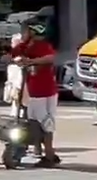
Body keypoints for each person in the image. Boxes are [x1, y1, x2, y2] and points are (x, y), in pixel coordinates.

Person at [12, 20, 61, 167]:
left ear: (32, 32)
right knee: (41, 122)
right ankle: (44, 152)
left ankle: (49, 154)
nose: (23, 33)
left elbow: (51, 57)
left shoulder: (43, 45)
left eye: (25, 30)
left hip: (46, 91)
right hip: (34, 91)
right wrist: (20, 60)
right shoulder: (22, 47)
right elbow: (14, 56)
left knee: (45, 122)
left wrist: (31, 61)